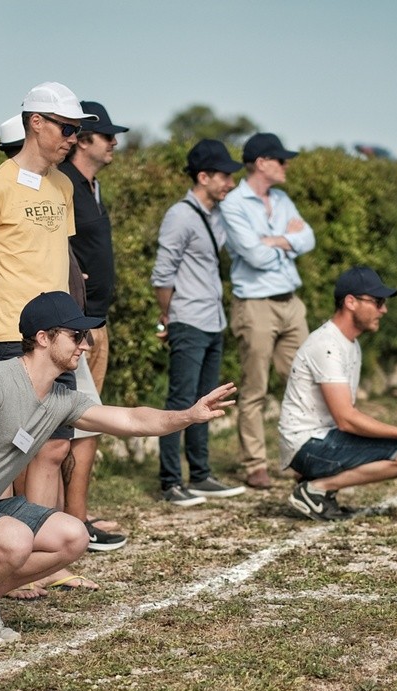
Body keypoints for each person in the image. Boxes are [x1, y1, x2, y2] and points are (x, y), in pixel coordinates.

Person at [0, 292, 235, 649]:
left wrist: (188, 415)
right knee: (16, 539)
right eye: (76, 336)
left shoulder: (60, 399)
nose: (85, 345)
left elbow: (131, 418)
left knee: (73, 535)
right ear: (43, 338)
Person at [0, 83, 108, 588]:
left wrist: (81, 330)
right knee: (11, 452)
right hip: (8, 339)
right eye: (67, 128)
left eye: (79, 130)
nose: (73, 138)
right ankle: (3, 554)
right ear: (35, 122)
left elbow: (60, 267)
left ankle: (42, 561)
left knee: (55, 449)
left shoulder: (62, 187)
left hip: (61, 340)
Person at [280, 266, 397, 521]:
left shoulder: (349, 345)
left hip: (322, 439)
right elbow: (346, 418)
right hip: (307, 445)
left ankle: (320, 488)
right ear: (350, 302)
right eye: (377, 302)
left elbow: (344, 419)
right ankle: (315, 489)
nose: (383, 310)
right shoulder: (327, 345)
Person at [152, 139, 247, 507]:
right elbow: (163, 275)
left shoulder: (215, 215)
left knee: (207, 401)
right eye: (225, 176)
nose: (231, 183)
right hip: (188, 320)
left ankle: (202, 475)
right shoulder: (180, 215)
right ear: (203, 176)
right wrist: (169, 315)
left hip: (213, 321)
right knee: (180, 401)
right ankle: (171, 481)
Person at [219, 132, 316, 490]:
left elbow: (310, 238)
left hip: (291, 302)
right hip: (255, 305)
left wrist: (276, 241)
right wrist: (289, 242)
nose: (287, 165)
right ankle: (254, 463)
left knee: (303, 384)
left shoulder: (283, 198)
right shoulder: (234, 203)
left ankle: (300, 457)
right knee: (255, 387)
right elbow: (253, 256)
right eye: (282, 160)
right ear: (262, 163)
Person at [57, 101, 130, 549]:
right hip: (74, 325)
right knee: (83, 425)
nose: (115, 143)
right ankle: (75, 522)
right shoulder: (63, 182)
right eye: (106, 135)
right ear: (83, 139)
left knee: (84, 425)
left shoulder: (90, 185)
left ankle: (73, 515)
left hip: (95, 322)